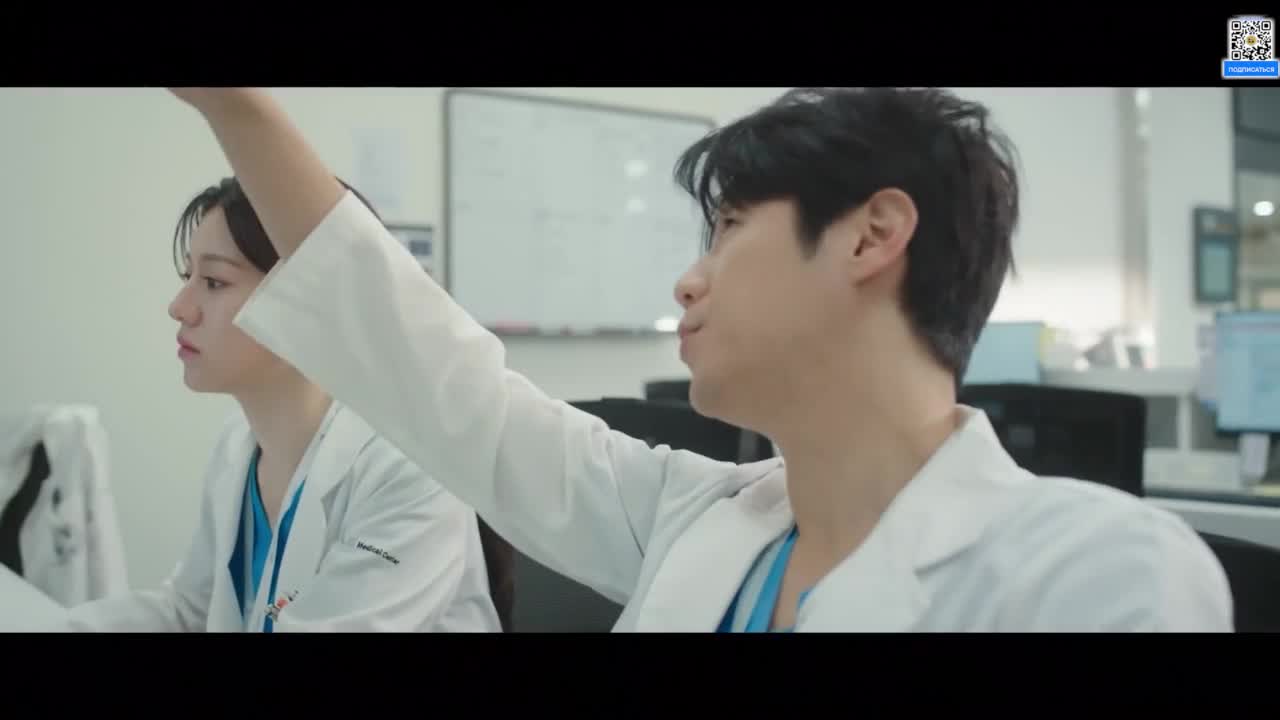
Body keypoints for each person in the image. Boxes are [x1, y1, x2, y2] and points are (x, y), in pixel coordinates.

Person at [169, 86, 1233, 631]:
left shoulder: (1095, 572)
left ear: (870, 236)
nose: (688, 280)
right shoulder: (699, 519)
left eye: (725, 228)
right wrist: (235, 106)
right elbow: (442, 379)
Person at [52, 176, 504, 632]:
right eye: (188, 277)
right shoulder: (239, 444)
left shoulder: (409, 469)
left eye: (213, 281)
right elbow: (190, 612)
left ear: (310, 302)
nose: (180, 307)